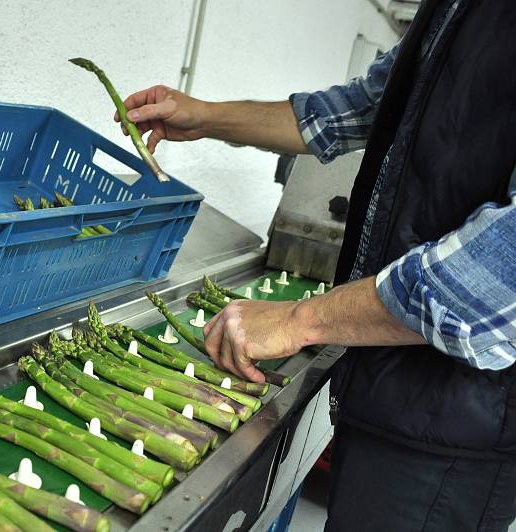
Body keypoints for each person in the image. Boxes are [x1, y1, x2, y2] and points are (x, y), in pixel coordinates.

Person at [118, 0, 516, 530]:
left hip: (456, 431)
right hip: (387, 388)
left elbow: (499, 272)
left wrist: (297, 320)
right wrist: (206, 116)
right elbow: (359, 107)